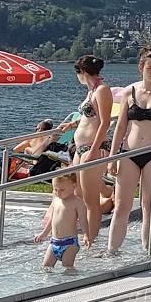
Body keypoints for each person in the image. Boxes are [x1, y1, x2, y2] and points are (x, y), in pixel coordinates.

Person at [106, 48, 151, 255]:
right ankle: (112, 251)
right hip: (129, 152)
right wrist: (113, 157)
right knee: (121, 206)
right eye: (149, 68)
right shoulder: (129, 92)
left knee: (149, 204)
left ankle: (148, 250)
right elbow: (120, 126)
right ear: (141, 69)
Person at [63, 54, 115, 247]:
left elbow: (104, 121)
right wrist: (72, 124)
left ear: (82, 72)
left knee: (91, 200)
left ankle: (92, 240)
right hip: (81, 148)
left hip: (93, 147)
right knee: (78, 194)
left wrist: (94, 151)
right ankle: (83, 235)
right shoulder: (92, 90)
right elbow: (88, 117)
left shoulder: (101, 90)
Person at [36, 173, 84, 270]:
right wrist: (43, 233)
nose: (58, 193)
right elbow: (52, 220)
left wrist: (86, 235)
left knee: (67, 266)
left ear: (73, 186)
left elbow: (83, 220)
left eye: (62, 190)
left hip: (70, 242)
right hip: (54, 242)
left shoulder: (77, 202)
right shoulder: (56, 201)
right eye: (55, 190)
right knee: (46, 266)